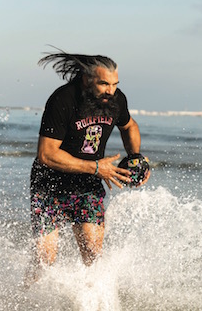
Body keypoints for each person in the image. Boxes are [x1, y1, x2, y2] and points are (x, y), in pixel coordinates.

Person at [26, 49, 149, 282]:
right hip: (49, 184)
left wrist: (137, 158)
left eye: (114, 84)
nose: (110, 91)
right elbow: (46, 154)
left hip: (86, 184)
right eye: (104, 84)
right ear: (87, 79)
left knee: (93, 254)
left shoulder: (116, 99)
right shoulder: (63, 99)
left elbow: (130, 126)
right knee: (45, 259)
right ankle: (23, 300)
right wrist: (96, 168)